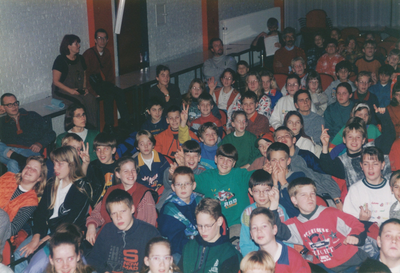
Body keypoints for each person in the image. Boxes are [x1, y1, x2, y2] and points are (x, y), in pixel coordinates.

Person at [14, 146, 91, 273]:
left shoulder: (81, 187)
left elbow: (71, 222)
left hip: (66, 234)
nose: (55, 168)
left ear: (71, 164)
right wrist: (36, 237)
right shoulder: (52, 183)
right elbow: (40, 214)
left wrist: (42, 241)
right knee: (20, 255)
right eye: (54, 163)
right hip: (45, 230)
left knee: (38, 263)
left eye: (60, 164)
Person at [277, 177, 368, 272]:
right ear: (294, 200)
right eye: (303, 195)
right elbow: (276, 230)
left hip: (353, 263)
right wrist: (273, 206)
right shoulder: (295, 224)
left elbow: (357, 225)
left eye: (312, 193)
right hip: (327, 268)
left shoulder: (330, 213)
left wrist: (355, 236)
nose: (310, 198)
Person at [85, 157, 157, 246]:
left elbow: (147, 227)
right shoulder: (111, 190)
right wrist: (91, 225)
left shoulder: (144, 194)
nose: (131, 174)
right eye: (126, 171)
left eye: (133, 170)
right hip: (108, 236)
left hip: (132, 241)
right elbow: (98, 213)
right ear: (118, 174)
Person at [87, 189, 160, 273]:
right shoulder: (107, 230)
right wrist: (103, 271)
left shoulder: (149, 233)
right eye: (114, 213)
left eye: (123, 211)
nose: (119, 217)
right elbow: (94, 259)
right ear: (110, 215)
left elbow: (159, 263)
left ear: (132, 209)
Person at [320, 108, 395, 188]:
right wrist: (325, 145)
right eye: (350, 137)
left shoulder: (375, 148)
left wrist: (383, 117)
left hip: (385, 194)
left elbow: (389, 135)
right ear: (344, 140)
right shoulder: (343, 161)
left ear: (363, 140)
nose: (354, 140)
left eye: (358, 137)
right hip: (360, 199)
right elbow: (326, 166)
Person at [193, 144, 254, 235]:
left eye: (229, 160)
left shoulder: (240, 175)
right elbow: (187, 179)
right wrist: (180, 166)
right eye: (221, 158)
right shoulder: (208, 176)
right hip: (214, 225)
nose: (225, 163)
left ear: (234, 164)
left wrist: (267, 170)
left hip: (237, 225)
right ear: (216, 159)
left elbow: (258, 176)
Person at [82, 28, 131, 133]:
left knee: (119, 92)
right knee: (109, 95)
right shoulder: (88, 54)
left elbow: (109, 72)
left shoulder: (106, 53)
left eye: (104, 38)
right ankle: (109, 125)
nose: (102, 40)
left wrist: (112, 86)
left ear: (107, 40)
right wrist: (93, 93)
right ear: (95, 40)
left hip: (99, 82)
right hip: (90, 84)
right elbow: (84, 75)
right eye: (99, 38)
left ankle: (126, 122)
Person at [179, 198, 242, 272]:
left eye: (208, 226)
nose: (203, 230)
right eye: (199, 226)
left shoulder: (229, 253)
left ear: (219, 221)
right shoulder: (189, 246)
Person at [0, 156, 47, 254]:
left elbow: (12, 229)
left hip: (2, 232)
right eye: (28, 166)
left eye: (34, 169)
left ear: (39, 178)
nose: (29, 170)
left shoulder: (31, 201)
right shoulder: (8, 176)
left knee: (3, 216)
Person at [0, 93, 56, 173]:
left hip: (29, 150)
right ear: (3, 107)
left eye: (15, 103)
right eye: (9, 105)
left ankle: (18, 160)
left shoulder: (32, 116)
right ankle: (16, 157)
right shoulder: (2, 121)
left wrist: (39, 144)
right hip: (7, 152)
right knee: (10, 157)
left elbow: (51, 133)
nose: (14, 106)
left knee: (13, 163)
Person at [52, 34, 98, 127]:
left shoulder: (80, 58)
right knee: (79, 103)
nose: (79, 46)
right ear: (68, 46)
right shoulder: (60, 60)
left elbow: (84, 73)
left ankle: (93, 128)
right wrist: (71, 91)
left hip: (78, 89)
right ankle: (81, 129)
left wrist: (84, 87)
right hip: (62, 91)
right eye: (76, 44)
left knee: (91, 100)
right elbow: (56, 81)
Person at [240, 170, 290, 256]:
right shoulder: (247, 212)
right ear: (250, 191)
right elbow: (245, 243)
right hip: (258, 256)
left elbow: (288, 240)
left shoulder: (280, 210)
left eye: (266, 190)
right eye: (256, 191)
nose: (261, 195)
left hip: (279, 253)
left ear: (272, 190)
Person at [157, 166, 202, 262]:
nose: (183, 187)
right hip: (179, 250)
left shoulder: (200, 202)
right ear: (173, 187)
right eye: (179, 184)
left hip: (201, 243)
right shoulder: (169, 210)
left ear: (193, 186)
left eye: (187, 184)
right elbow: (172, 239)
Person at [343, 147, 395, 226]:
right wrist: (362, 221)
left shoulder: (392, 188)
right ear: (361, 166)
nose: (370, 168)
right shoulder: (355, 189)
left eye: (375, 164)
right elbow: (347, 220)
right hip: (366, 232)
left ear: (382, 165)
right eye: (366, 164)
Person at [249, 207, 311, 272]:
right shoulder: (252, 262)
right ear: (251, 234)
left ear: (274, 229)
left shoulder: (293, 258)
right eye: (254, 228)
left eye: (264, 226)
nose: (259, 231)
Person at [134, 130, 170, 210]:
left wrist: (159, 187)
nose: (146, 146)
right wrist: (150, 190)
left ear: (153, 145)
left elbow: (166, 174)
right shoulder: (135, 163)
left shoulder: (160, 158)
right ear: (137, 147)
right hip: (145, 193)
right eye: (142, 144)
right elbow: (136, 180)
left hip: (161, 191)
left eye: (149, 143)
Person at [85, 132, 117, 208]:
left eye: (106, 149)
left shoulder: (120, 167)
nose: (102, 153)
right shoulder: (93, 166)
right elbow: (83, 183)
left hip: (115, 205)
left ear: (113, 150)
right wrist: (85, 164)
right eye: (98, 149)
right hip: (96, 207)